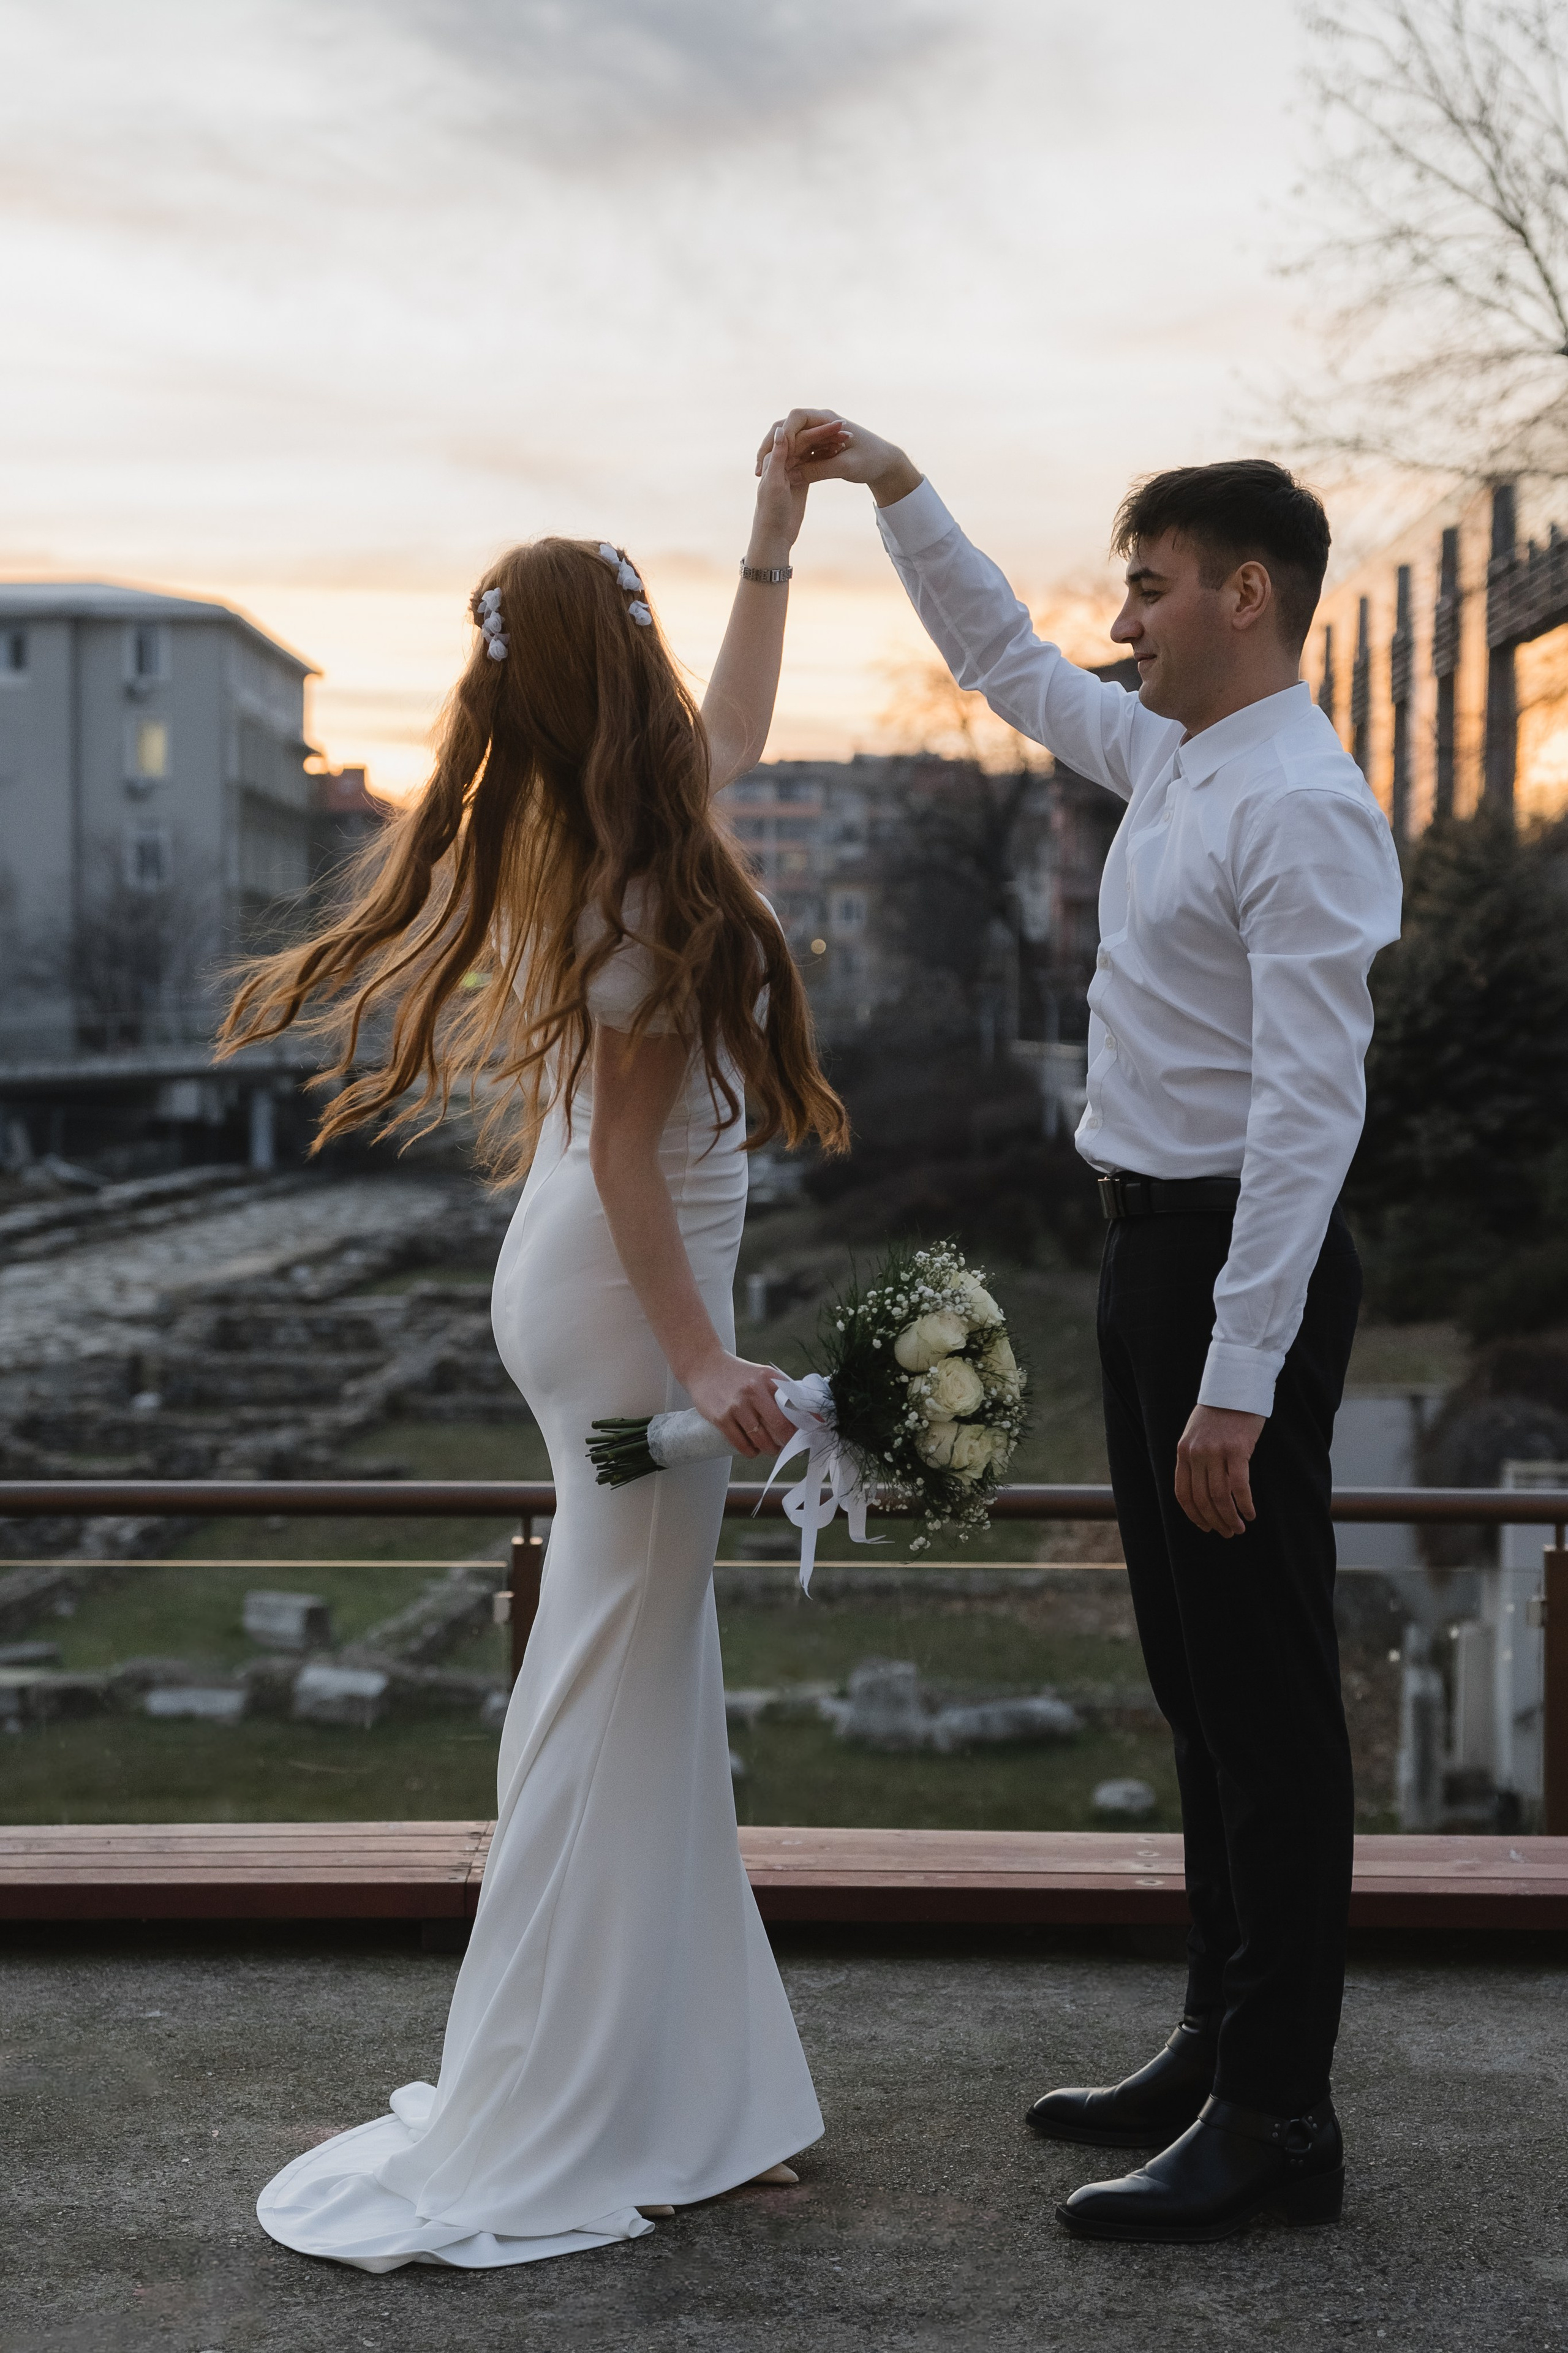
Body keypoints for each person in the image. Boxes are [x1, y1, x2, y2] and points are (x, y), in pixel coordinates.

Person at [769, 412, 1402, 2245]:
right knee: (1198, 1684)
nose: (1121, 620)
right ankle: (1218, 2041)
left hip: (1235, 1272)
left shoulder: (1301, 804)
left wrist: (1238, 1379)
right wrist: (898, 490)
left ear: (1247, 593)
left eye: (1151, 585)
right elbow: (1001, 658)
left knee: (1268, 1701)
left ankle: (1282, 2116)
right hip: (1151, 1257)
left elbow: (1309, 1118)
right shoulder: (1179, 755)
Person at [223, 431, 846, 2270]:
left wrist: (772, 533)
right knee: (610, 1698)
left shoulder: (637, 829)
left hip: (588, 1289)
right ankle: (585, 2099)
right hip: (623, 1310)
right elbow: (642, 1161)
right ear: (615, 660)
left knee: (637, 1690)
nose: (669, 658)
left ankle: (684, 2100)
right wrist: (708, 1366)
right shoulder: (640, 882)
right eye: (645, 626)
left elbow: (741, 717)